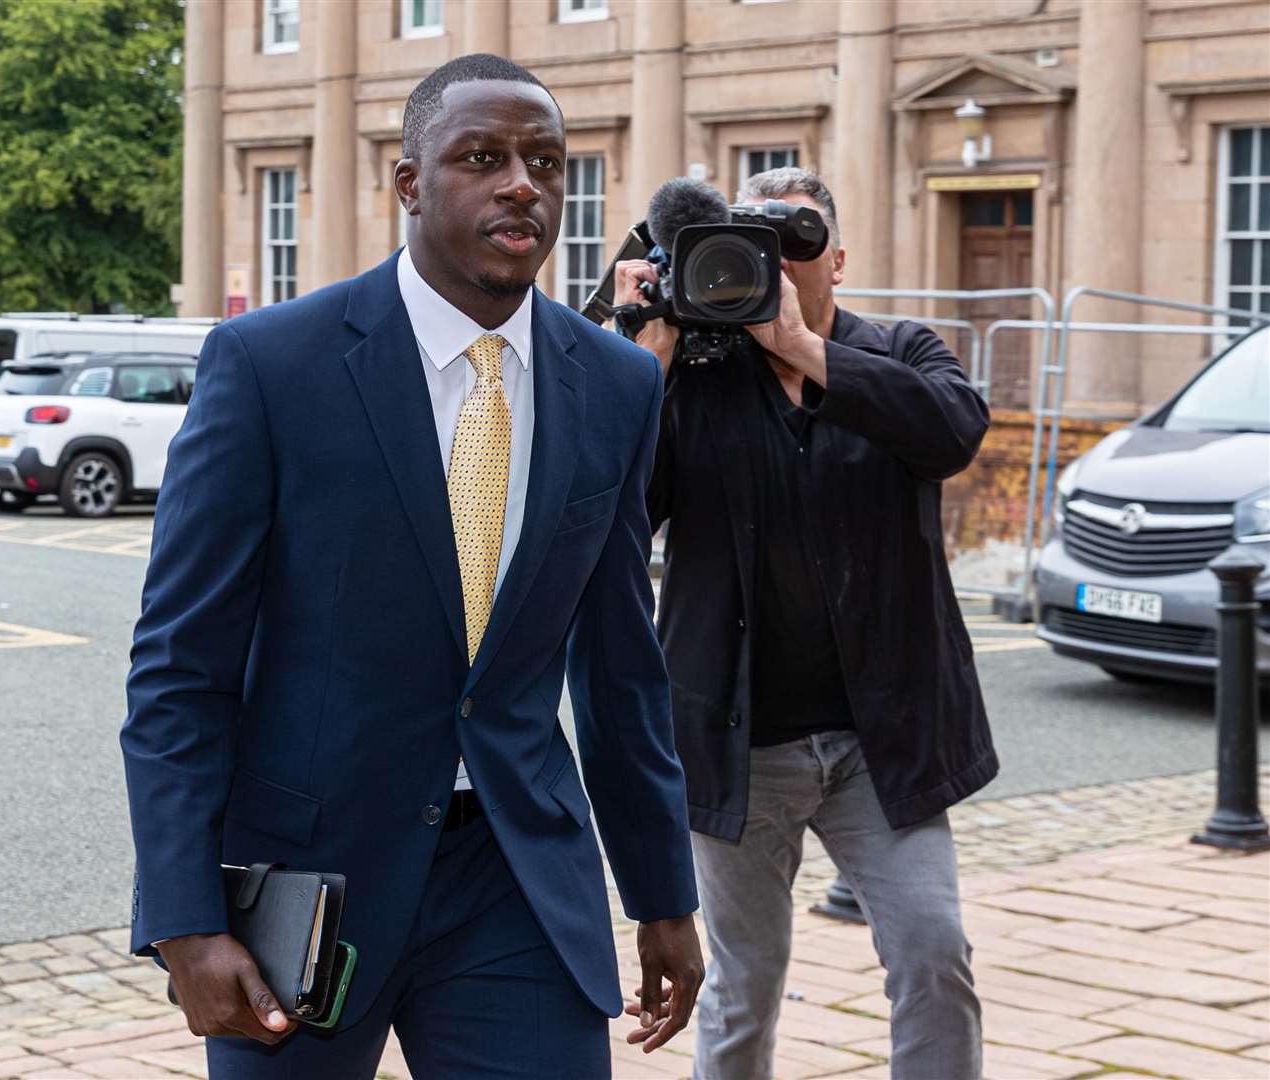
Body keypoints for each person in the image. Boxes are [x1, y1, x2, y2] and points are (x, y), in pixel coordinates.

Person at [121, 53, 703, 1080]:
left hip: (517, 878)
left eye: (543, 162)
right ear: (408, 183)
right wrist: (181, 918)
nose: (519, 183)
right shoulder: (271, 366)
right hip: (308, 889)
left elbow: (620, 670)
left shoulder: (614, 383)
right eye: (481, 157)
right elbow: (180, 666)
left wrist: (662, 896)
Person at [613, 166, 993, 1080]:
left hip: (881, 739)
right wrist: (643, 350)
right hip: (738, 744)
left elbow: (952, 430)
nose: (775, 257)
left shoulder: (899, 350)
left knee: (934, 955)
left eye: (798, 237)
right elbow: (616, 506)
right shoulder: (696, 384)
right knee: (745, 982)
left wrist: (798, 346)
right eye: (749, 239)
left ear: (839, 259)